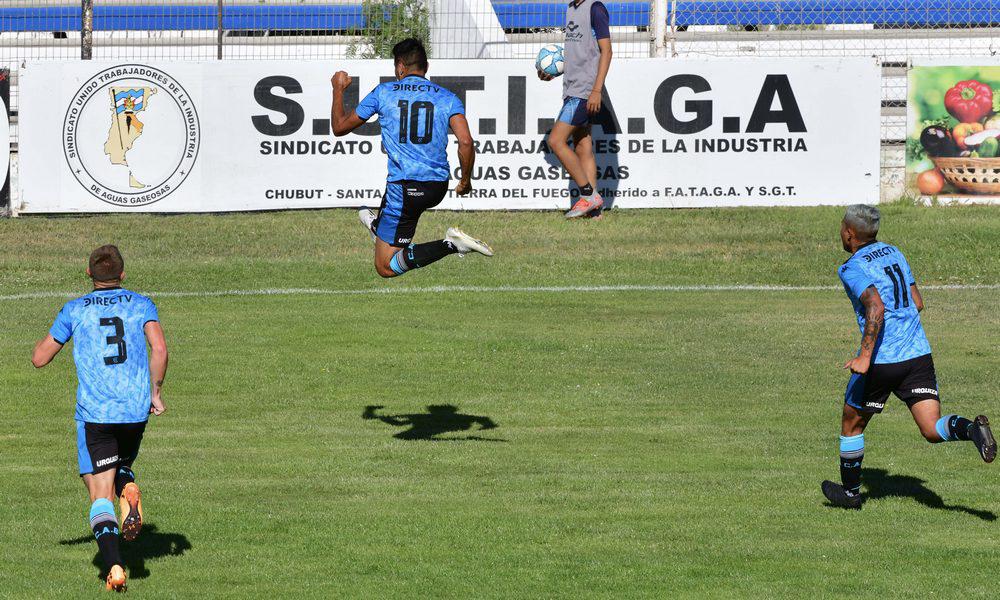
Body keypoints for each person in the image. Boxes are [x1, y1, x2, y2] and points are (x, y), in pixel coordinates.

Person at [822, 205, 995, 509]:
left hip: (882, 361)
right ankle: (971, 429)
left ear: (849, 233)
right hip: (917, 355)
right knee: (931, 428)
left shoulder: (852, 267)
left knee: (852, 423)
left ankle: (850, 494)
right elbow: (917, 301)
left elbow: (875, 307)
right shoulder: (893, 251)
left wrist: (864, 356)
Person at [31, 245, 168, 591]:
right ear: (122, 275)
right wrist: (154, 392)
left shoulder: (75, 309)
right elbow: (161, 349)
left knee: (99, 493)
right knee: (120, 466)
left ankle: (114, 566)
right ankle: (128, 485)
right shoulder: (142, 304)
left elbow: (39, 358)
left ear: (89, 275)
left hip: (96, 413)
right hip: (136, 411)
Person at [330, 38, 493, 278]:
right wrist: (465, 181)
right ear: (426, 67)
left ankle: (451, 244)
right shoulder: (448, 98)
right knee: (392, 226)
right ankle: (378, 225)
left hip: (404, 189)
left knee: (385, 266)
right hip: (436, 187)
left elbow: (340, 127)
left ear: (399, 67)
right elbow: (466, 142)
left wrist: (338, 89)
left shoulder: (384, 93)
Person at [539, 0, 613, 219]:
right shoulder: (571, 8)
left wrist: (596, 90)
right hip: (573, 89)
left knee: (555, 141)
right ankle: (595, 213)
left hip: (585, 91)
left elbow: (606, 51)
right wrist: (555, 71)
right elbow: (581, 54)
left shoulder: (595, 8)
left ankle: (588, 195)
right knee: (582, 146)